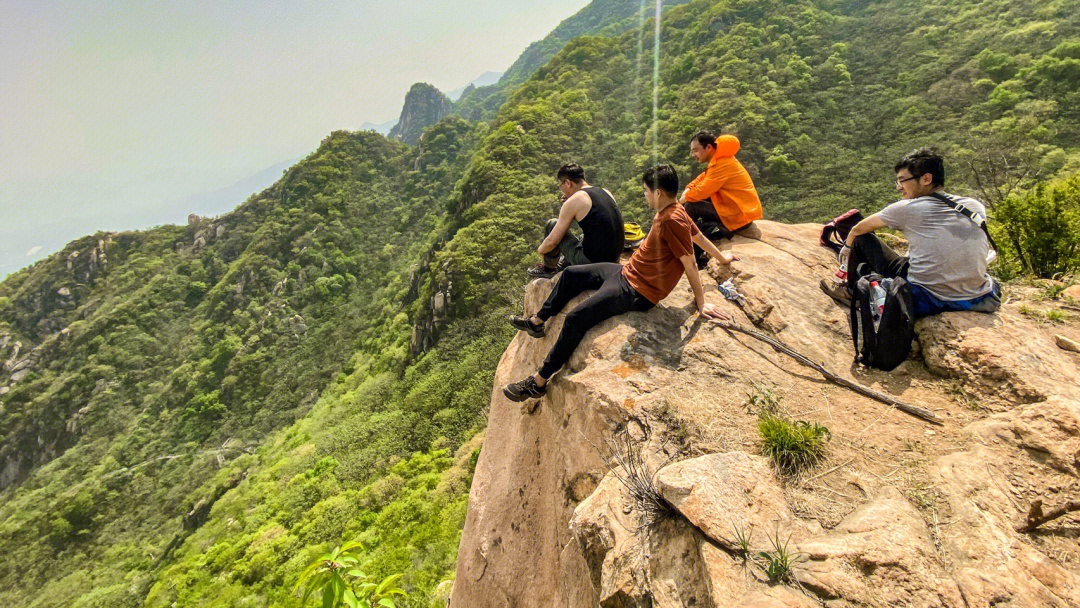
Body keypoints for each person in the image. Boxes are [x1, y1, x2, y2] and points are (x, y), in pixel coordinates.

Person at [503, 164, 738, 401]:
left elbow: (690, 264)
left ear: (658, 193)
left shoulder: (671, 220)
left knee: (576, 319)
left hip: (636, 290)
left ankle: (539, 382)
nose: (644, 194)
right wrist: (722, 257)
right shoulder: (674, 210)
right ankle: (537, 321)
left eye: (646, 190)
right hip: (626, 271)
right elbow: (697, 236)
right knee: (571, 273)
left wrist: (701, 303)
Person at [819, 148, 1001, 317]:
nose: (898, 186)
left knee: (862, 239)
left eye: (902, 180)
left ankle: (850, 292)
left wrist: (848, 245)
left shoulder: (908, 209)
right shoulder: (974, 206)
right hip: (979, 297)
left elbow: (859, 228)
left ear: (926, 179)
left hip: (926, 299)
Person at [679, 131, 763, 267]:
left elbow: (703, 190)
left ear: (708, 148)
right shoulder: (720, 160)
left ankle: (691, 257)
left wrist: (680, 201)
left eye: (695, 150)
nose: (693, 155)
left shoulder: (723, 164)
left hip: (739, 215)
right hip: (734, 208)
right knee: (695, 209)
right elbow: (703, 177)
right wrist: (689, 188)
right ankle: (695, 249)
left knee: (691, 207)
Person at [528, 163, 625, 279]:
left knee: (552, 224)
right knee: (582, 237)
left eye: (560, 185)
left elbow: (552, 242)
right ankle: (564, 264)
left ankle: (549, 269)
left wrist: (541, 251)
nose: (561, 190)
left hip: (593, 263)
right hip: (614, 258)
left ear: (568, 183)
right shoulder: (605, 192)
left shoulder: (575, 200)